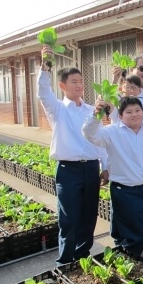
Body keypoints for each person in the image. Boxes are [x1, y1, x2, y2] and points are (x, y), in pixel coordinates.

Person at [82, 96, 143, 272]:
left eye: (137, 111)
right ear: (121, 115)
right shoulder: (111, 133)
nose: (134, 115)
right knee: (136, 236)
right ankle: (129, 269)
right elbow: (89, 133)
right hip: (125, 192)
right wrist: (95, 115)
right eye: (129, 112)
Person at [37, 45, 108, 266]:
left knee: (89, 214)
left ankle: (83, 255)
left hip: (90, 168)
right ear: (62, 85)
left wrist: (105, 165)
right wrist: (46, 64)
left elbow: (100, 139)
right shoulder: (57, 108)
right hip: (67, 170)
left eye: (80, 81)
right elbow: (42, 91)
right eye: (74, 82)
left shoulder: (91, 110)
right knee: (68, 216)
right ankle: (65, 260)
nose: (79, 85)